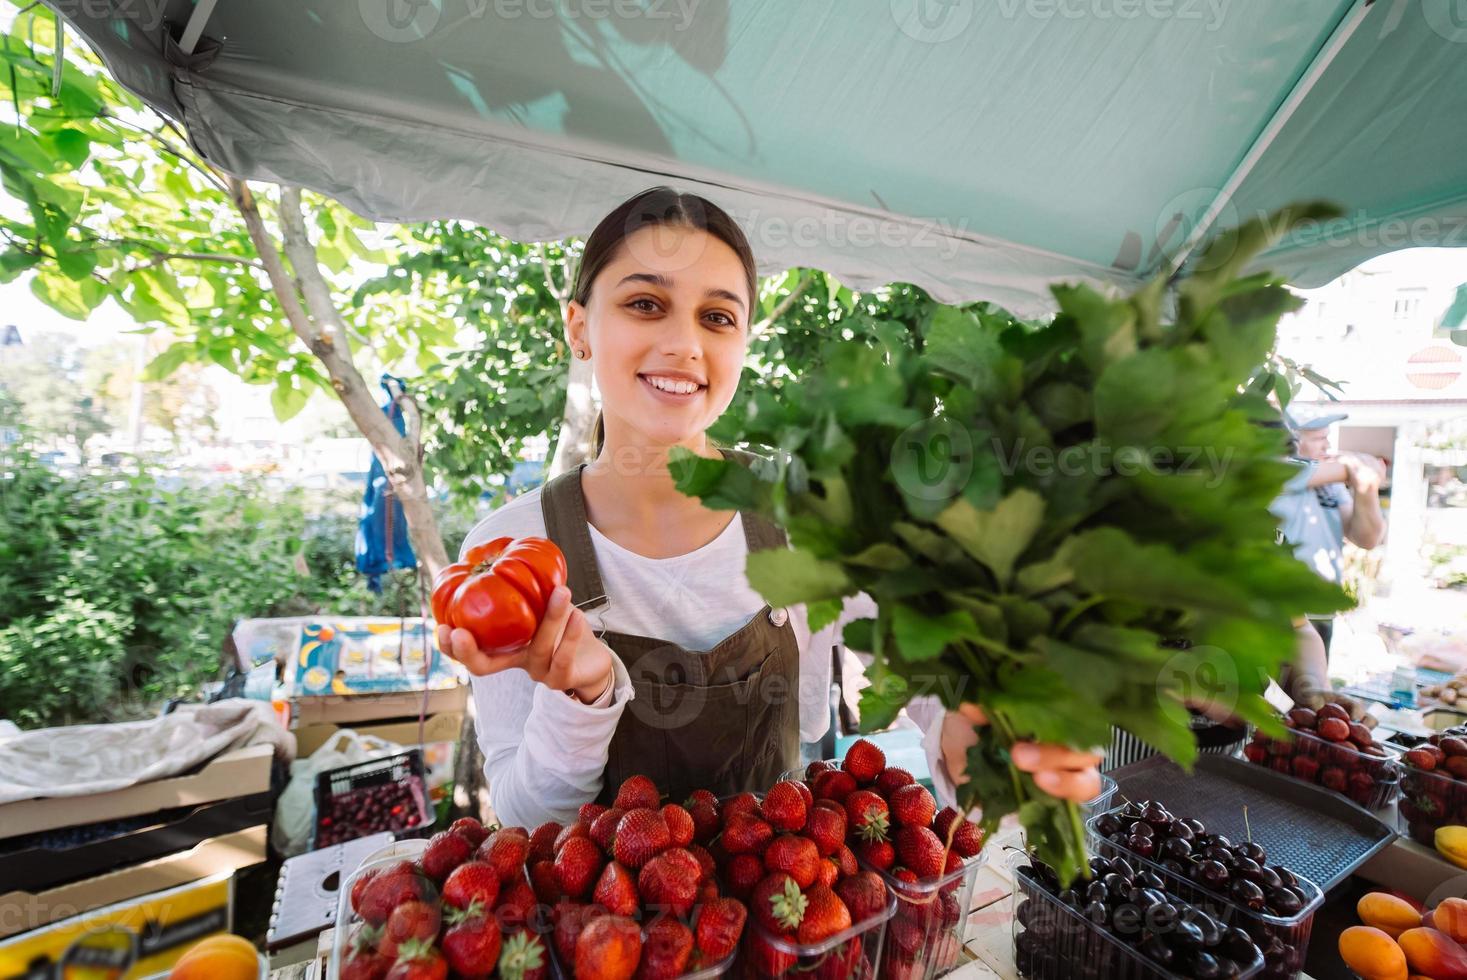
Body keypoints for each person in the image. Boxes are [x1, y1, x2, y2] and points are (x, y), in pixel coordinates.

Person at [436, 187, 1102, 827]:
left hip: (791, 919)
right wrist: (577, 694)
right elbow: (529, 823)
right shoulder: (508, 553)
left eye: (718, 317)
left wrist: (976, 730)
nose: (684, 344)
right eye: (644, 303)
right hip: (604, 939)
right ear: (579, 326)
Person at [1271, 411, 1386, 656]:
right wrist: (1363, 465)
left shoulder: (1331, 481)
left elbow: (1367, 538)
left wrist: (1367, 486)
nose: (1328, 445)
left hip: (1320, 610)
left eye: (1327, 437)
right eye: (1317, 438)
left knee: (1310, 690)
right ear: (1292, 439)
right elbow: (1360, 469)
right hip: (1279, 612)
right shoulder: (1272, 470)